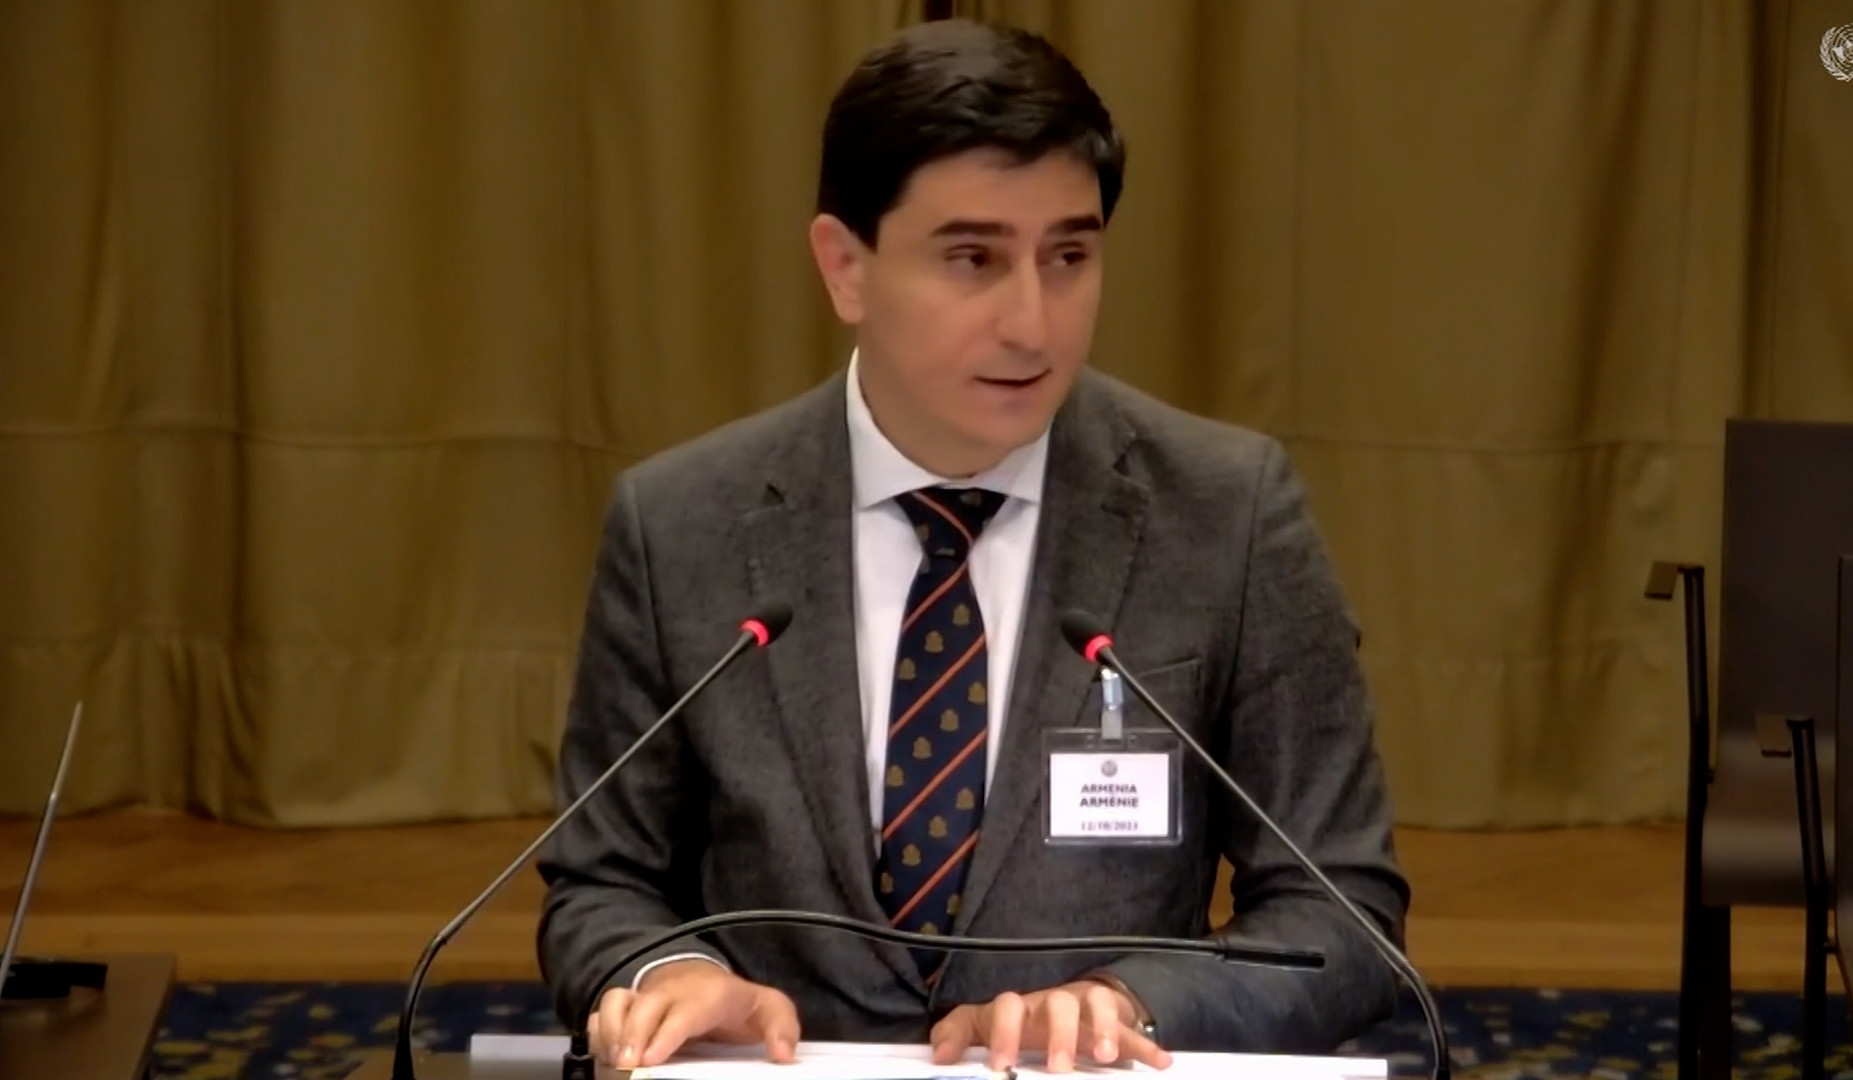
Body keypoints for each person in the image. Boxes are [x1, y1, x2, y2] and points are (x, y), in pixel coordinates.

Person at [535, 16, 1410, 1075]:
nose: (1032, 323)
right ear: (844, 267)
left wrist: (1128, 1004)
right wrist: (665, 972)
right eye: (971, 259)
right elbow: (602, 883)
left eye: (1068, 256)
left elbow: (1340, 915)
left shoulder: (1227, 516)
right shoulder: (679, 525)